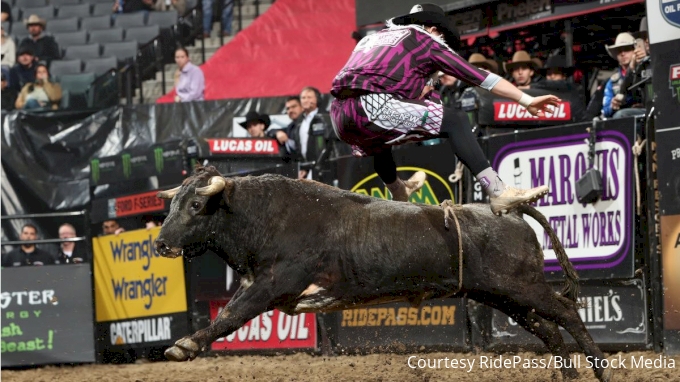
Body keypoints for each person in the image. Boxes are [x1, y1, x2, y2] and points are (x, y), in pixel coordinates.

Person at [330, 4, 556, 215]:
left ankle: (398, 190)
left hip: (339, 115)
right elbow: (480, 77)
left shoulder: (374, 39)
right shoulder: (426, 39)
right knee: (455, 120)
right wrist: (525, 99)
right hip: (372, 107)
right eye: (445, 40)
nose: (444, 46)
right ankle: (497, 191)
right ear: (434, 29)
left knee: (380, 136)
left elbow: (379, 81)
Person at [602, 32, 641, 119]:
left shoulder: (645, 71)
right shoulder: (612, 82)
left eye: (626, 49)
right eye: (618, 51)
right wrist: (612, 105)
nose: (622, 53)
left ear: (635, 51)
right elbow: (605, 110)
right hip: (624, 120)